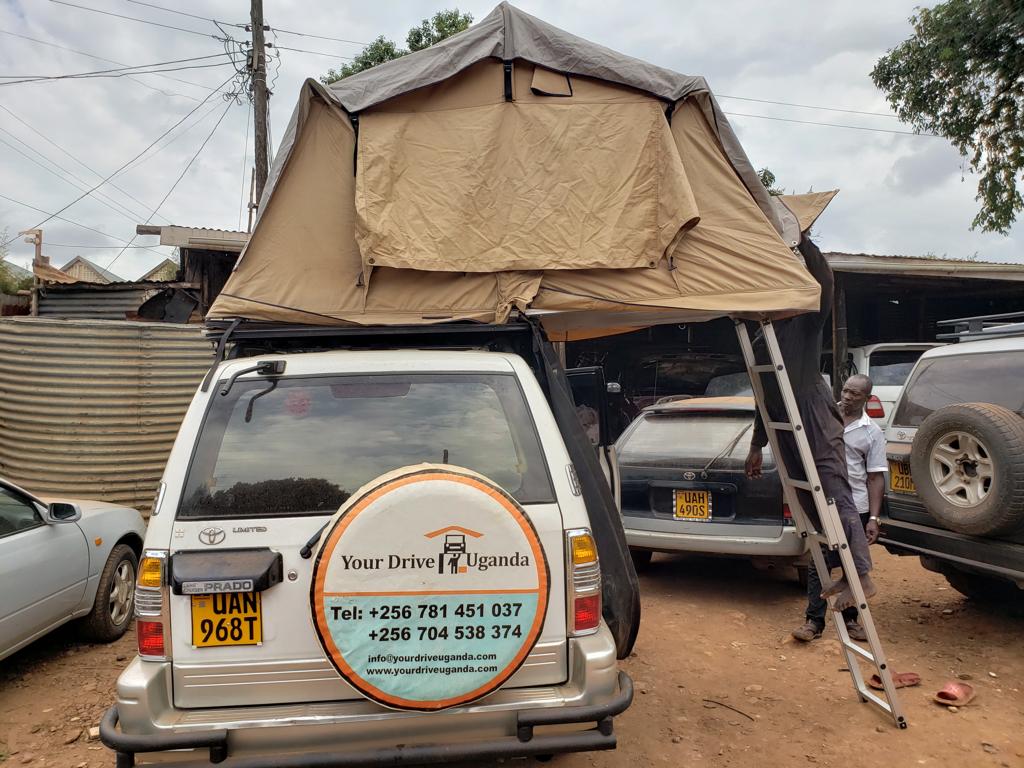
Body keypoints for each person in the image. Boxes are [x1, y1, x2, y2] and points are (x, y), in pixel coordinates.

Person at [744, 237, 876, 612]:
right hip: (782, 421)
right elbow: (762, 393)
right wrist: (757, 444)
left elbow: (825, 282)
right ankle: (843, 568)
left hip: (813, 415)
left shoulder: (805, 320)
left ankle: (861, 575)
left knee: (833, 490)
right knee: (808, 500)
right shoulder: (759, 336)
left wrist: (800, 240)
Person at [792, 374, 887, 642]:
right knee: (819, 561)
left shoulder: (872, 432)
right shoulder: (825, 417)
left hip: (855, 504)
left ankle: (851, 621)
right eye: (845, 390)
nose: (847, 396)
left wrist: (874, 518)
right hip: (825, 501)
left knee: (852, 565)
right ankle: (814, 621)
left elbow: (875, 476)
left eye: (855, 394)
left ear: (866, 399)